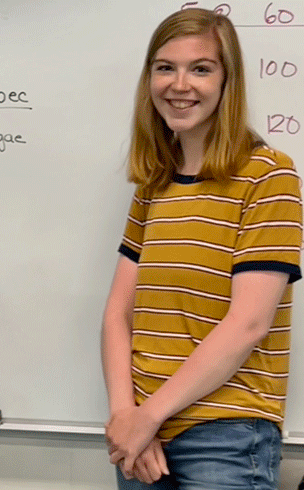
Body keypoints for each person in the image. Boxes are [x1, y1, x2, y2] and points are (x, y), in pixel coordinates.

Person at [101, 8, 302, 489]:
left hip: (226, 438)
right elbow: (117, 315)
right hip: (140, 441)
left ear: (227, 81)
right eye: (165, 67)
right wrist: (125, 416)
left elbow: (248, 323)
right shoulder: (154, 183)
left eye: (201, 68)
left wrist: (147, 416)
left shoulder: (268, 176)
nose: (179, 84)